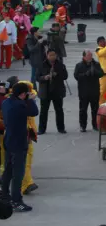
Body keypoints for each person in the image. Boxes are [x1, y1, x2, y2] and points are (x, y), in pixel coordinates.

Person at [1, 82, 38, 212]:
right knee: (18, 173)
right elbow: (34, 112)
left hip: (8, 140)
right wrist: (30, 100)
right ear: (23, 94)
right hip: (19, 143)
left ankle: (4, 195)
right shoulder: (21, 105)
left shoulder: (6, 102)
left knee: (8, 170)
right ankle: (16, 200)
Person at [37, 50, 68, 135]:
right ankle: (42, 129)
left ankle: (61, 128)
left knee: (59, 110)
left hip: (57, 91)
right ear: (47, 56)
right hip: (45, 91)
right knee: (43, 111)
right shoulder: (42, 65)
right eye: (50, 55)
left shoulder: (60, 65)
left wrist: (56, 74)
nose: (52, 57)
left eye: (54, 55)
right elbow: (37, 77)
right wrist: (44, 77)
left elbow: (65, 76)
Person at [74, 50, 104, 132]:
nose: (90, 57)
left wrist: (95, 72)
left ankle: (95, 125)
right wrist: (85, 74)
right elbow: (76, 76)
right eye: (88, 55)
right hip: (84, 91)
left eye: (91, 55)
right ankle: (83, 126)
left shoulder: (96, 64)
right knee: (83, 109)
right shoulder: (79, 65)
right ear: (84, 56)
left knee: (95, 109)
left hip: (94, 90)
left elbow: (101, 73)